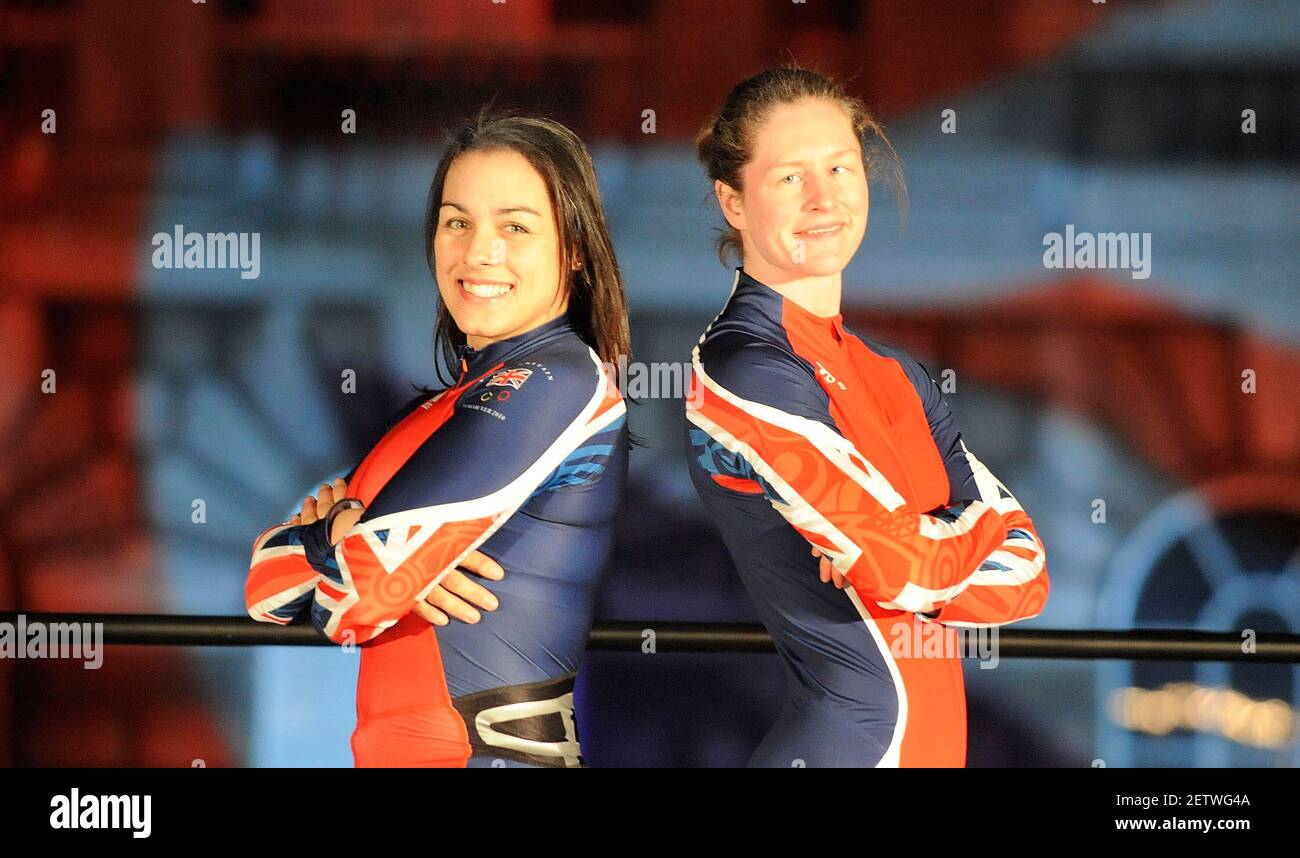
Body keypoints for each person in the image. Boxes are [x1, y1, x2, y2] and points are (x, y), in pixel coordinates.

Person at [685, 67, 1050, 767]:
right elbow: (904, 569)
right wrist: (942, 535)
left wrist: (911, 542)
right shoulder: (743, 368)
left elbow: (1029, 574)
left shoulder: (896, 373)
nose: (824, 198)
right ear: (733, 201)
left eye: (840, 168)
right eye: (790, 177)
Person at [245, 112, 631, 767]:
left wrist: (349, 549)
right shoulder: (435, 411)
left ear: (574, 249)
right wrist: (366, 553)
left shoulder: (560, 381)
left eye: (515, 226)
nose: (479, 251)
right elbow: (264, 591)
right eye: (458, 222)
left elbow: (350, 600)